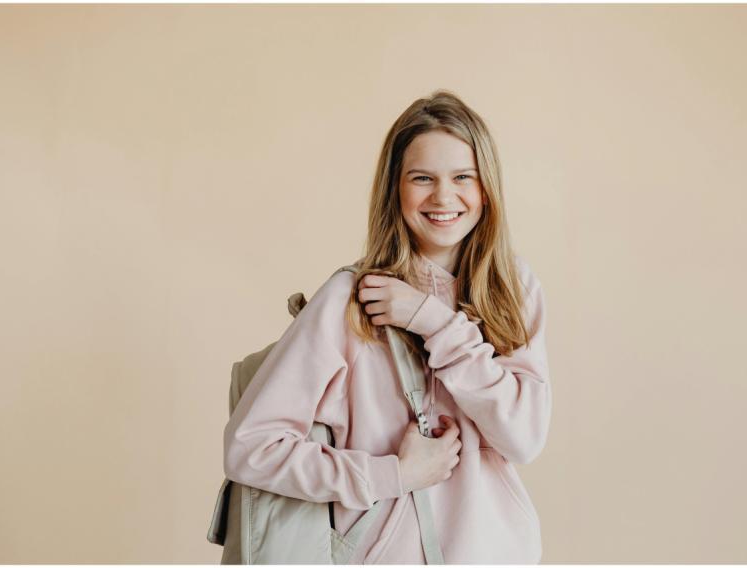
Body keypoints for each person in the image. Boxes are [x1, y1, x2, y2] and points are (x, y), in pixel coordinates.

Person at [223, 89, 552, 564]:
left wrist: (432, 320)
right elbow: (249, 448)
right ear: (394, 188)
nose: (444, 196)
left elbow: (522, 437)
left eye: (463, 176)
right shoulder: (350, 300)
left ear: (487, 188)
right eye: (422, 178)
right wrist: (391, 474)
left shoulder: (514, 288)